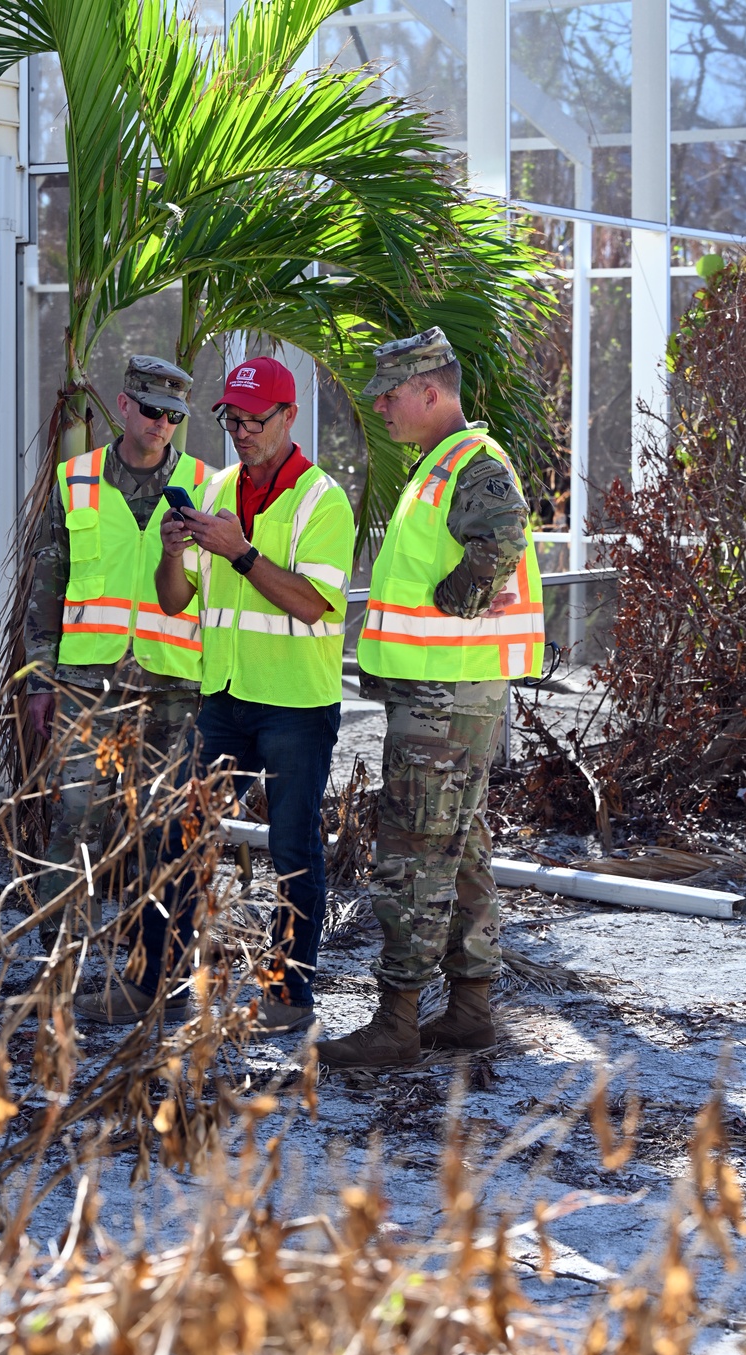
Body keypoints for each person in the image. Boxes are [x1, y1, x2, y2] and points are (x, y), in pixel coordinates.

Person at [82, 355, 356, 1027]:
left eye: (254, 420)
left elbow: (314, 605)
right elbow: (176, 603)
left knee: (292, 850)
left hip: (295, 703)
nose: (240, 432)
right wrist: (174, 552)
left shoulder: (323, 500)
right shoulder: (217, 488)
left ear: (289, 416)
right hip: (223, 699)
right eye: (231, 420)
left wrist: (240, 553)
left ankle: (289, 999)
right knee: (174, 835)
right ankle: (154, 987)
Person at [317, 328, 544, 1071]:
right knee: (462, 844)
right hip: (446, 693)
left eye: (389, 394)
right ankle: (471, 1008)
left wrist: (460, 598)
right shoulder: (440, 466)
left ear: (429, 392)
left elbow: (504, 532)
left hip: (443, 698)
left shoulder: (470, 465)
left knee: (414, 851)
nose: (378, 407)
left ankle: (397, 1022)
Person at [24, 355, 208, 952]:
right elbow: (48, 584)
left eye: (173, 416)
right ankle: (62, 955)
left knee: (162, 827)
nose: (161, 425)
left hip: (173, 686)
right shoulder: (74, 479)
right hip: (87, 681)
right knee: (76, 817)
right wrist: (39, 681)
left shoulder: (206, 487)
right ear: (124, 405)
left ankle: (150, 961)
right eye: (151, 410)